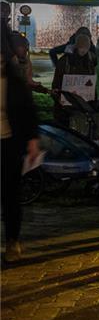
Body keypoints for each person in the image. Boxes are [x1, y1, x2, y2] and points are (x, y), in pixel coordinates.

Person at [2, 24, 41, 263]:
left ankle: (12, 240)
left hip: (8, 143)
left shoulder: (13, 80)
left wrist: (32, 140)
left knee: (9, 193)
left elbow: (28, 110)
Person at [51, 32, 97, 127]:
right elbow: (56, 82)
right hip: (65, 107)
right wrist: (57, 96)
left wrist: (92, 98)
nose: (84, 51)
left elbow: (92, 82)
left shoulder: (90, 61)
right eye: (82, 48)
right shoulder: (65, 61)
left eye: (86, 48)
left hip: (83, 106)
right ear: (76, 46)